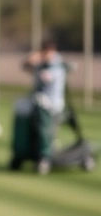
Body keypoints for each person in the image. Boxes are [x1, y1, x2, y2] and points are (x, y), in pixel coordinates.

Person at [20, 38, 68, 172]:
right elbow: (25, 66)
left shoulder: (56, 65)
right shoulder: (43, 63)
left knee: (46, 132)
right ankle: (39, 154)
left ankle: (45, 158)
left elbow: (46, 77)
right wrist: (32, 58)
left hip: (53, 104)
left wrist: (37, 63)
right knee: (38, 131)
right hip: (41, 104)